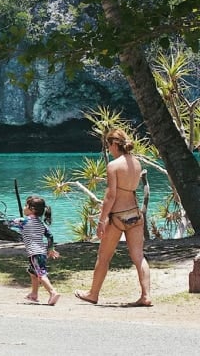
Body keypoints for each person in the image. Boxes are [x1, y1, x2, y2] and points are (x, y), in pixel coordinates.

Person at [74, 128, 152, 307]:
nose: (108, 149)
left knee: (104, 256)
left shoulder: (113, 166)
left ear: (114, 145)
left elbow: (110, 196)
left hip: (117, 216)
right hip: (134, 213)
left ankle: (93, 294)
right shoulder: (137, 163)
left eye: (108, 145)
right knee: (139, 256)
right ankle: (146, 295)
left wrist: (101, 221)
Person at [0, 196, 60, 305]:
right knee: (33, 272)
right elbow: (50, 236)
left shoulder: (23, 221)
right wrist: (50, 249)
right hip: (41, 252)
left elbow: (7, 222)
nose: (24, 208)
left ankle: (53, 292)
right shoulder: (41, 224)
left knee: (40, 274)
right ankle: (34, 294)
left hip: (34, 253)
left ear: (32, 209)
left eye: (25, 205)